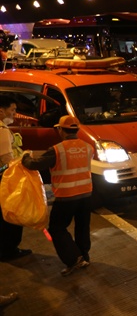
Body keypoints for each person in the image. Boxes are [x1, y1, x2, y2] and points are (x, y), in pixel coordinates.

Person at [21, 115, 94, 276]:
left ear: (61, 130)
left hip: (66, 196)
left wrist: (25, 155)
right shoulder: (89, 147)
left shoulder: (57, 150)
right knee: (82, 227)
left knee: (57, 228)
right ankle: (85, 256)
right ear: (77, 129)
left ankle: (74, 259)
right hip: (86, 195)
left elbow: (33, 165)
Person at [0, 95, 32, 262]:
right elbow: (6, 158)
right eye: (12, 110)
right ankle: (9, 249)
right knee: (11, 214)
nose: (14, 114)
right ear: (1, 110)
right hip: (4, 177)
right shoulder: (2, 130)